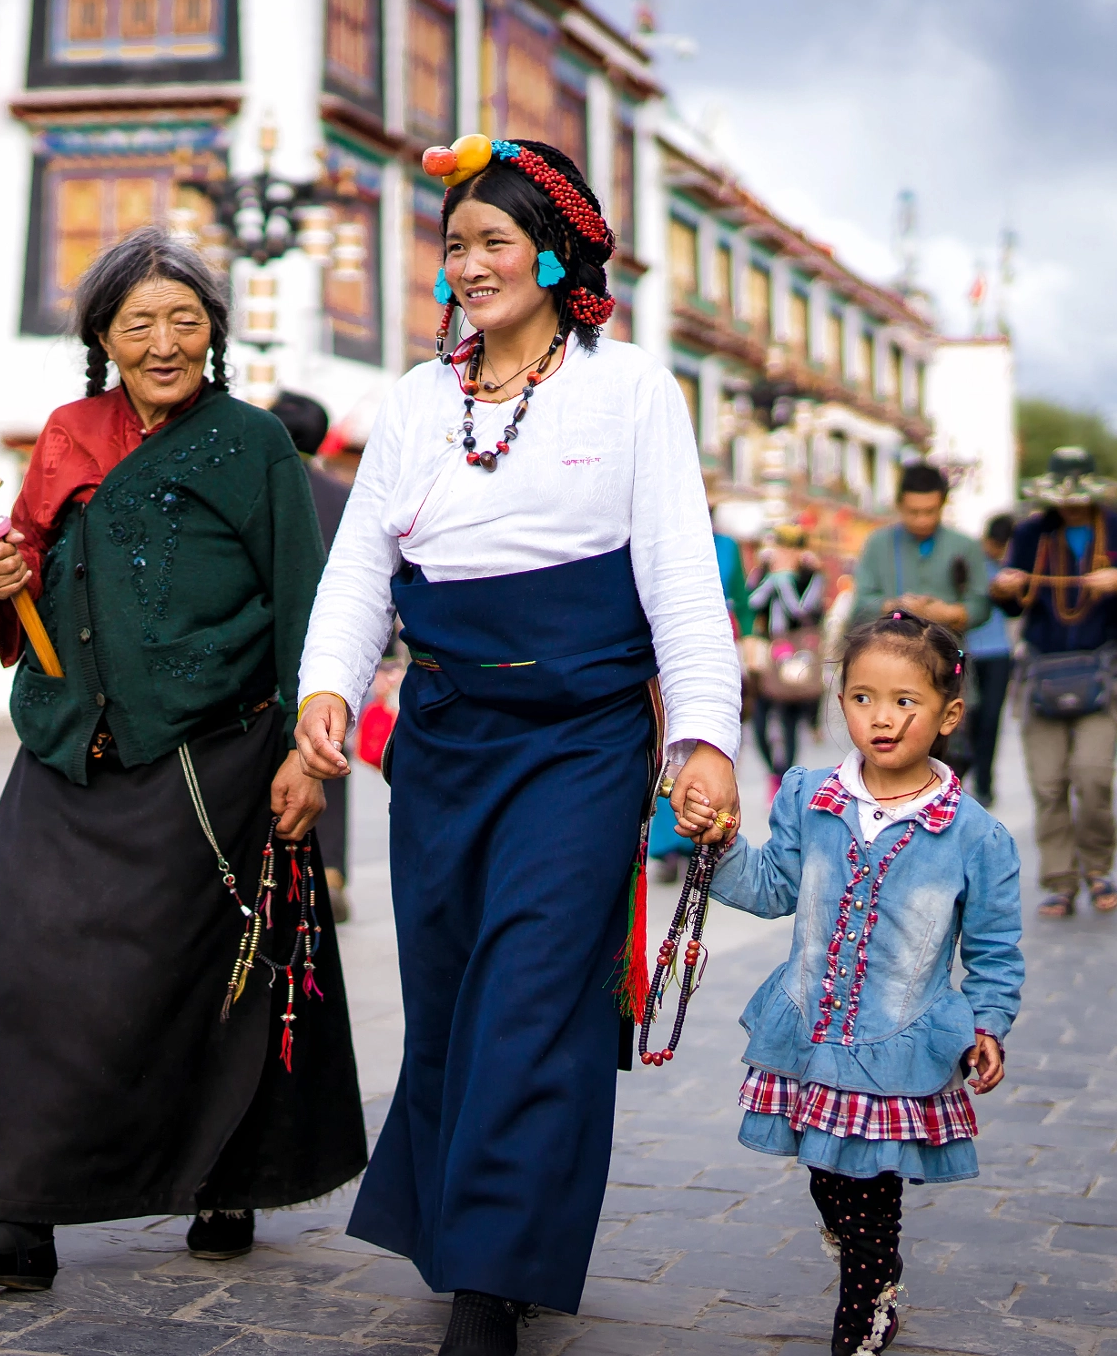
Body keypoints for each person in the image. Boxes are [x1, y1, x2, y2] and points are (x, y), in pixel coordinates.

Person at [294, 135, 742, 1353]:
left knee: (533, 995)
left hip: (581, 744)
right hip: (439, 740)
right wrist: (325, 689)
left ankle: (493, 1281)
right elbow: (359, 574)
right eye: (454, 245)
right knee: (447, 994)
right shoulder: (413, 402)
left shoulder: (632, 388)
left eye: (494, 240)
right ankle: (465, 1236)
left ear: (553, 254)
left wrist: (701, 736)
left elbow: (680, 587)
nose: (470, 263)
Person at [0, 227, 367, 1290]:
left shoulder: (251, 447)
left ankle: (229, 1173)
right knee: (28, 975)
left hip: (211, 756)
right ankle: (24, 1217)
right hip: (67, 749)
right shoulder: (66, 432)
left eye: (184, 321)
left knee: (208, 978)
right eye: (137, 322)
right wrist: (7, 572)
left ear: (215, 335)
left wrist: (305, 757)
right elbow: (33, 570)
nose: (162, 341)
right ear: (101, 336)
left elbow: (307, 606)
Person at [693, 612, 1024, 1356]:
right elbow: (775, 885)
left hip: (898, 1045)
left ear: (948, 714)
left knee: (871, 1184)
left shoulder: (976, 835)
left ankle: (867, 1300)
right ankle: (868, 1260)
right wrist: (719, 847)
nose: (882, 717)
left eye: (905, 701)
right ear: (839, 699)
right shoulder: (809, 795)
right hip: (810, 1030)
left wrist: (990, 1022)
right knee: (825, 1174)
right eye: (863, 696)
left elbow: (997, 951)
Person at [989, 446, 1117, 918]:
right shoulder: (1030, 532)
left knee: (1092, 777)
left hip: (1100, 668)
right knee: (1047, 783)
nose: (1068, 505)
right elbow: (1010, 603)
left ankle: (1099, 869)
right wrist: (1004, 588)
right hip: (1042, 668)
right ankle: (1060, 880)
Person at [271, 389, 353, 918]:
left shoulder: (260, 487)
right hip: (332, 652)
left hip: (270, 652)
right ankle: (330, 872)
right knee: (326, 752)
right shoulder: (342, 495)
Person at [650, 525, 752, 882]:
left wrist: (752, 639)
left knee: (709, 746)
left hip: (711, 655)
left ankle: (703, 837)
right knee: (664, 748)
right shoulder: (654, 534)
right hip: (658, 654)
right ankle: (664, 846)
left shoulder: (727, 546)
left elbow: (741, 597)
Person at [849, 463, 993, 638]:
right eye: (913, 512)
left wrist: (950, 613)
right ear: (899, 505)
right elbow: (860, 602)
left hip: (947, 652)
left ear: (942, 504)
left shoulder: (965, 545)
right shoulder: (878, 542)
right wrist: (894, 606)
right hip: (890, 651)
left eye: (930, 511)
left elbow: (981, 605)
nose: (922, 520)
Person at [747, 523, 827, 796]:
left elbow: (802, 610)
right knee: (759, 720)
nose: (784, 553)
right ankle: (773, 770)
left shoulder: (811, 576)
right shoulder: (764, 572)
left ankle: (783, 779)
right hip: (765, 653)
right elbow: (751, 602)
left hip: (794, 653)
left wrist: (786, 582)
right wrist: (771, 579)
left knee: (789, 720)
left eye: (791, 548)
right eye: (781, 547)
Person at [961, 514, 1018, 806]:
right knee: (967, 718)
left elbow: (1015, 608)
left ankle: (985, 783)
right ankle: (960, 776)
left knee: (991, 720)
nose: (998, 550)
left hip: (998, 653)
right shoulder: (968, 560)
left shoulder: (1009, 566)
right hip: (969, 650)